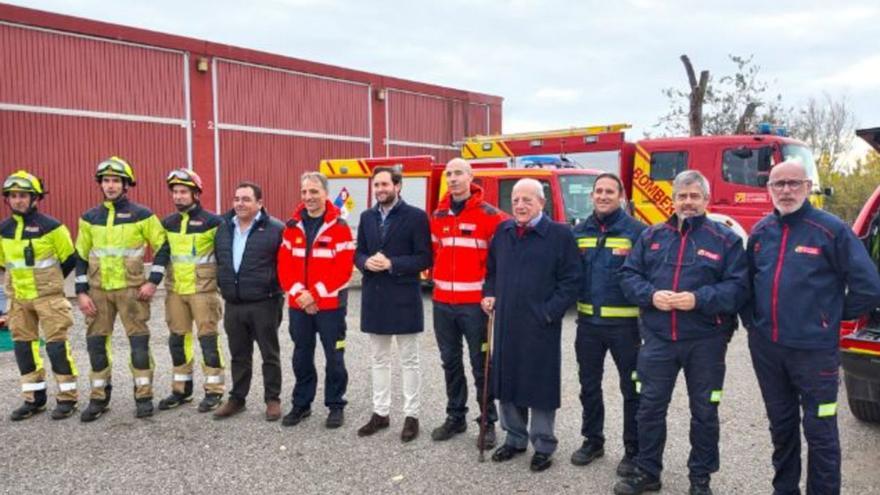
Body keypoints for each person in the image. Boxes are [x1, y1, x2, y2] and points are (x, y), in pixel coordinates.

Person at [744, 160, 880, 495]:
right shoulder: (760, 233)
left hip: (815, 353)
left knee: (820, 431)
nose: (786, 190)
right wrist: (755, 325)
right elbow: (745, 285)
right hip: (768, 351)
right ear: (769, 190)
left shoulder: (831, 230)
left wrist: (828, 318)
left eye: (794, 183)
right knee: (782, 427)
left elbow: (868, 286)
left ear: (808, 187)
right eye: (779, 184)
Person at [615, 170, 749, 495]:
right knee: (649, 407)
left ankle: (700, 478)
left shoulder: (726, 240)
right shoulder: (652, 236)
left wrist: (698, 299)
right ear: (672, 199)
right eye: (682, 196)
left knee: (704, 412)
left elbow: (739, 288)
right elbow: (628, 276)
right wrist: (650, 295)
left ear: (706, 199)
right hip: (659, 340)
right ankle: (648, 472)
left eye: (694, 196)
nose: (687, 202)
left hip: (706, 341)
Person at [481, 178, 580, 472]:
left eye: (527, 200)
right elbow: (492, 271)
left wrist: (549, 312)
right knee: (507, 380)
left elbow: (572, 280)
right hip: (508, 322)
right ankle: (514, 438)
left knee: (539, 385)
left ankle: (543, 443)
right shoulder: (504, 231)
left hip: (541, 325)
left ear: (541, 202)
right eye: (516, 201)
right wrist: (489, 294)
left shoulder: (560, 235)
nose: (520, 206)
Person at [75, 157, 169, 421]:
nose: (111, 185)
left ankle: (143, 396)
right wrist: (81, 292)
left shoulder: (143, 215)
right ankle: (98, 398)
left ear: (126, 184)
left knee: (138, 344)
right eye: (106, 180)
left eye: (116, 180)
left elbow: (163, 247)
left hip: (132, 291)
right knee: (95, 345)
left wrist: (153, 282)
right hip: (98, 292)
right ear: (101, 184)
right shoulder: (89, 218)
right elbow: (80, 255)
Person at [570, 173, 646, 474]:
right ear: (592, 196)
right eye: (598, 191)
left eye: (609, 191)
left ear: (621, 196)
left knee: (633, 389)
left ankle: (633, 449)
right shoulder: (578, 232)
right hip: (588, 325)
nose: (603, 196)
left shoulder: (638, 232)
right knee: (588, 386)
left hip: (626, 329)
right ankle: (593, 441)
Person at [430, 158, 505, 449]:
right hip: (442, 304)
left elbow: (498, 264)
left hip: (475, 305)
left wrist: (492, 293)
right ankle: (455, 416)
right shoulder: (438, 214)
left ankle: (487, 421)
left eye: (458, 173)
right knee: (450, 362)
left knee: (480, 364)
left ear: (471, 176)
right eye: (448, 174)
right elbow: (436, 252)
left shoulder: (491, 216)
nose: (452, 178)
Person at [355, 166, 432, 443]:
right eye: (376, 185)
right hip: (375, 297)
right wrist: (366, 262)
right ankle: (380, 413)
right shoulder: (366, 217)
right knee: (379, 359)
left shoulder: (416, 217)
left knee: (410, 360)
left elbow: (424, 258)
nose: (380, 190)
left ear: (398, 185)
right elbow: (358, 253)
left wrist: (392, 264)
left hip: (404, 298)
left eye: (385, 184)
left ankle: (412, 416)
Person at [277, 172, 355, 429]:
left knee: (334, 356)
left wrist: (316, 294)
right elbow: (284, 267)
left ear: (325, 194)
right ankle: (301, 404)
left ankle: (335, 405)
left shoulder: (340, 227)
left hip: (330, 306)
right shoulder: (291, 227)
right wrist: (302, 295)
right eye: (304, 192)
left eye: (314, 192)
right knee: (301, 355)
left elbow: (343, 269)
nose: (308, 197)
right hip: (299, 305)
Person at [0, 171, 79, 420]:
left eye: (23, 195)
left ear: (35, 198)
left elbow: (69, 258)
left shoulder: (52, 227)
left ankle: (67, 398)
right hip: (19, 299)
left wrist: (52, 282)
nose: (18, 200)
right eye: (13, 196)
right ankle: (33, 399)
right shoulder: (3, 230)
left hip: (49, 298)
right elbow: (4, 264)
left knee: (56, 348)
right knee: (24, 349)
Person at [212, 182, 285, 421]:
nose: (239, 204)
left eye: (246, 199)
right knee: (238, 354)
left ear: (259, 203)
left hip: (265, 301)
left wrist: (276, 289)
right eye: (236, 199)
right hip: (234, 303)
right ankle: (237, 399)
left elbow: (285, 265)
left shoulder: (275, 229)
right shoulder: (223, 228)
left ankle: (272, 399)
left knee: (269, 353)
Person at [157, 169, 225, 413]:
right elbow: (162, 254)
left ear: (196, 194)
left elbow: (223, 257)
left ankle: (214, 391)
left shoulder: (213, 223)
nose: (178, 196)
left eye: (184, 192)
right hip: (175, 291)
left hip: (203, 291)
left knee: (208, 341)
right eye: (175, 192)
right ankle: (181, 390)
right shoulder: (167, 224)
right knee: (177, 341)